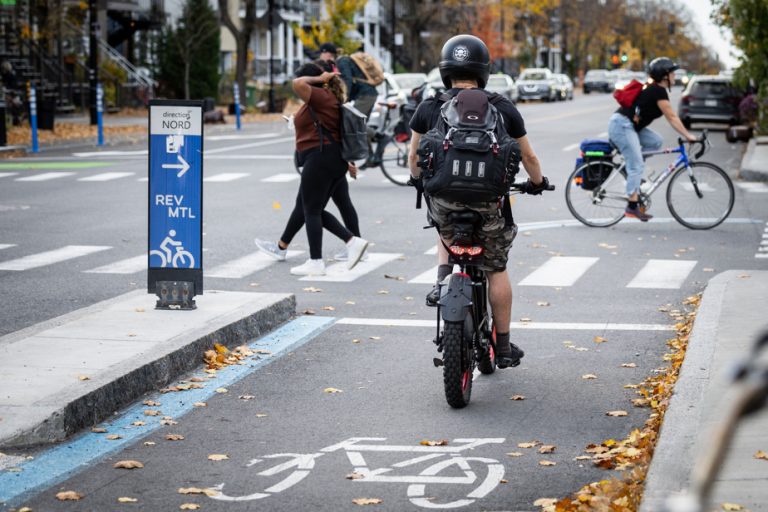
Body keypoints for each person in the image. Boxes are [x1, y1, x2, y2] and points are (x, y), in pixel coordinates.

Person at [408, 34, 548, 369]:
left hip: (444, 199)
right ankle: (502, 346)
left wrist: (418, 179)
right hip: (488, 201)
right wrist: (538, 183)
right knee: (496, 268)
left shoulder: (430, 107)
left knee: (443, 226)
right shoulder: (501, 107)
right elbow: (527, 154)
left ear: (445, 69)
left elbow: (414, 156)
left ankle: (442, 278)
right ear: (483, 69)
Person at [254, 62, 368, 276]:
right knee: (309, 208)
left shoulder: (320, 95)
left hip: (320, 158)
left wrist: (320, 78)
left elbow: (297, 83)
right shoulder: (320, 100)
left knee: (312, 211)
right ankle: (350, 242)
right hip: (329, 159)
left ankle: (320, 258)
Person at [609, 57, 697, 221]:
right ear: (664, 75)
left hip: (629, 125)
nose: (674, 76)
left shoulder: (656, 89)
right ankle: (632, 206)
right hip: (621, 125)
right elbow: (671, 116)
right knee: (636, 164)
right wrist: (688, 135)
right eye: (672, 72)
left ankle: (632, 171)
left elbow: (670, 116)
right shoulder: (657, 90)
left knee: (655, 141)